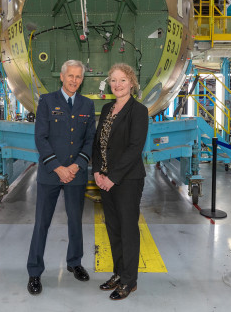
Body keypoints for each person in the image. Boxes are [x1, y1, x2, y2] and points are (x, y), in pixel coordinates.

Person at [27, 60, 96, 295]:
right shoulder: (47, 101)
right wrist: (58, 168)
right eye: (70, 76)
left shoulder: (87, 104)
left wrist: (76, 166)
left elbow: (89, 140)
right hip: (50, 174)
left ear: (82, 79)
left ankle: (75, 263)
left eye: (78, 77)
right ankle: (34, 272)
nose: (74, 80)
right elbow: (41, 138)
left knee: (76, 222)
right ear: (62, 77)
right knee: (41, 224)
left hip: (75, 174)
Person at [92, 63, 149, 301]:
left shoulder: (138, 111)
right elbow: (98, 143)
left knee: (128, 230)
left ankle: (129, 280)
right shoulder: (107, 108)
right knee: (113, 229)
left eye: (122, 80)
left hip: (127, 180)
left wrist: (112, 178)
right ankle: (118, 272)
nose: (117, 84)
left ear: (132, 83)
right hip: (104, 178)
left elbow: (135, 148)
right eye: (113, 80)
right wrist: (97, 172)